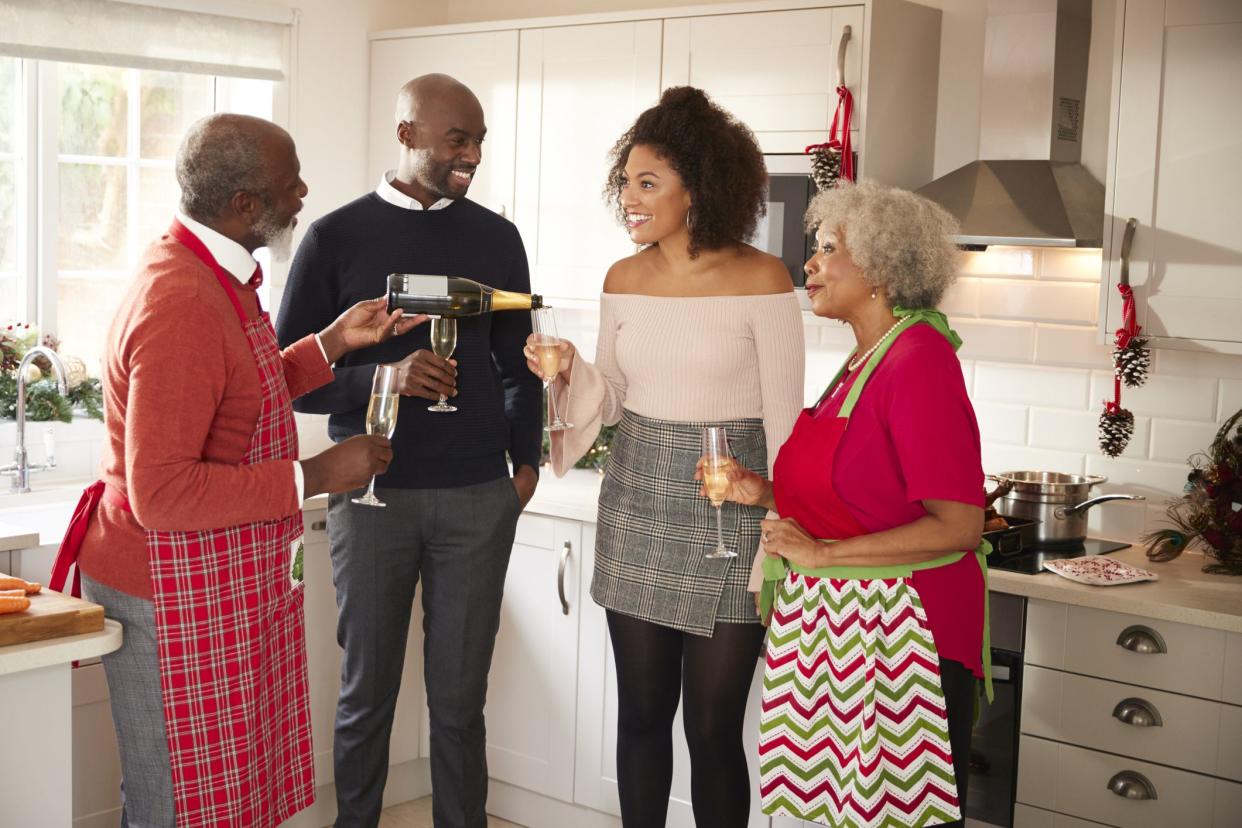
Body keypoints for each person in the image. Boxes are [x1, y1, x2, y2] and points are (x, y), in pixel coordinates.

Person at [49, 113, 422, 827]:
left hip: (207, 577)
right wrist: (315, 474)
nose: (304, 193)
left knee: (221, 796)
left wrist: (335, 341)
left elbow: (239, 386)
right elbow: (162, 492)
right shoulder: (181, 300)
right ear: (245, 205)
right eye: (290, 184)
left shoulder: (208, 271)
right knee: (175, 805)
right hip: (166, 586)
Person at [528, 86, 804, 827]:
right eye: (626, 182)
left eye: (648, 183)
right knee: (643, 716)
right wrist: (565, 370)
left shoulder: (764, 279)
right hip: (638, 505)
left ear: (700, 188)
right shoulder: (625, 278)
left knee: (713, 731)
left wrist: (777, 538)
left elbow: (787, 427)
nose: (630, 199)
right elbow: (612, 399)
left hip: (730, 515)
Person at [275, 73, 542, 828]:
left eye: (481, 139)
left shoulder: (498, 238)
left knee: (460, 706)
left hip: (476, 499)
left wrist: (522, 468)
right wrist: (379, 379)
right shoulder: (335, 237)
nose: (473, 155)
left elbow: (522, 361)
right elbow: (287, 384)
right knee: (366, 697)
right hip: (371, 498)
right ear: (407, 135)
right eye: (458, 138)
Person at [718, 180, 991, 828]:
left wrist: (822, 553)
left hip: (903, 641)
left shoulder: (918, 359)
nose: (809, 263)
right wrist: (764, 492)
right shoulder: (864, 360)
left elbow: (959, 525)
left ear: (883, 266)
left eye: (829, 248)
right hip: (846, 631)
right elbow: (859, 496)